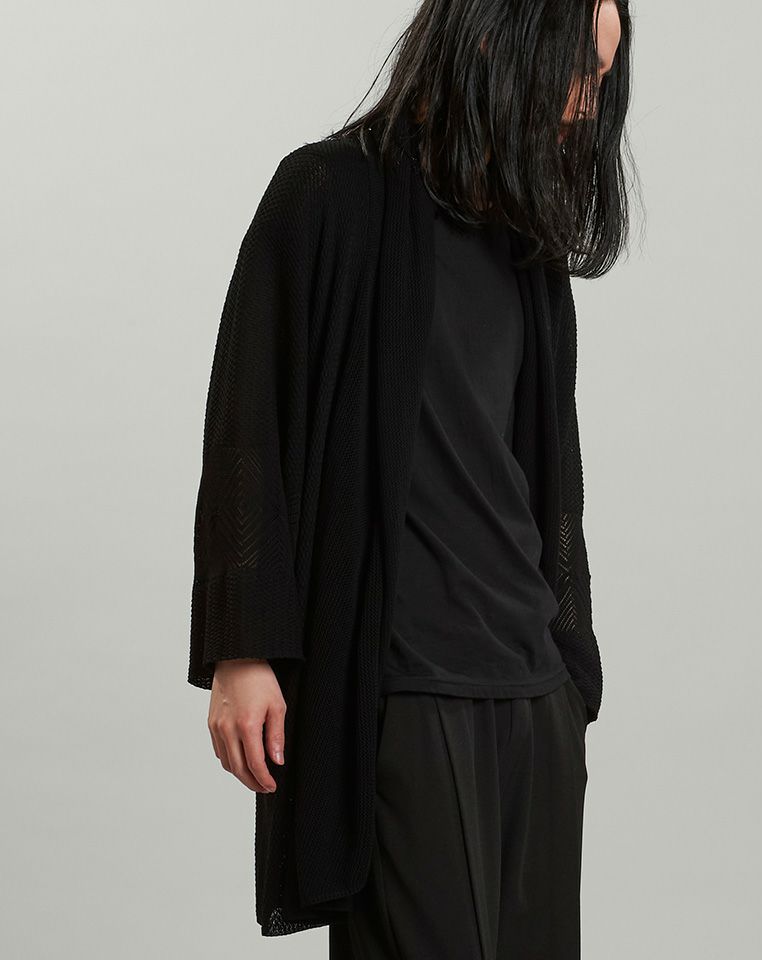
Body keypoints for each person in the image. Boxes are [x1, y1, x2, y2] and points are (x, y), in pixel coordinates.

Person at [187, 0, 634, 956]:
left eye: (601, 78)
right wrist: (242, 650)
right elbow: (246, 425)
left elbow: (551, 472)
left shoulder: (525, 241)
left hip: (532, 694)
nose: (585, 104)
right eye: (574, 68)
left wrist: (571, 674)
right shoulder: (326, 194)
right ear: (494, 34)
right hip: (401, 693)